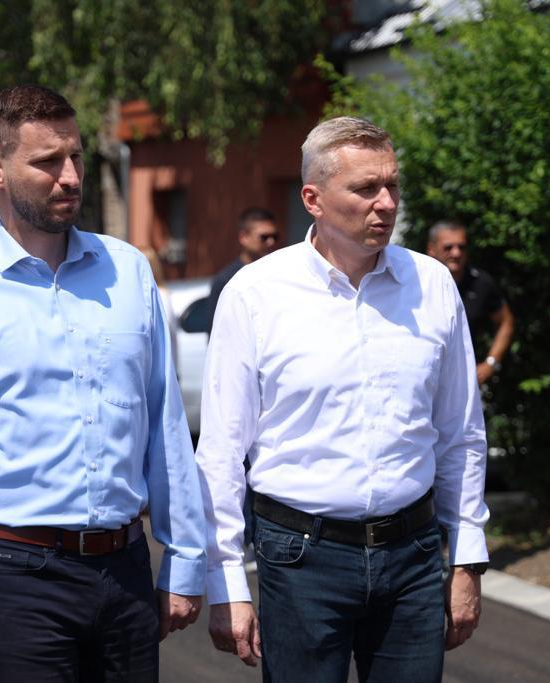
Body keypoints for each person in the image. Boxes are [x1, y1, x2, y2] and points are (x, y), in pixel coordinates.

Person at [0, 84, 206, 682]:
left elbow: (164, 425)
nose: (70, 177)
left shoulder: (129, 270)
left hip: (125, 572)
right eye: (47, 162)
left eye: (76, 156)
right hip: (13, 575)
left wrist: (185, 557)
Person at [196, 116, 489, 682]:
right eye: (365, 188)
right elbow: (222, 452)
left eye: (392, 185)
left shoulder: (432, 286)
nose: (387, 203)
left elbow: (461, 434)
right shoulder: (255, 295)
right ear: (313, 199)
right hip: (300, 559)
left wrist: (467, 560)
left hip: (413, 556)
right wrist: (226, 580)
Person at [427, 221, 515, 385]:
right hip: (426, 377)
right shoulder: (418, 283)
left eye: (462, 247)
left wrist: (491, 363)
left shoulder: (481, 283)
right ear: (432, 249)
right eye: (448, 247)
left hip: (466, 381)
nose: (456, 253)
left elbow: (506, 321)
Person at [204, 207, 279, 334]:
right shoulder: (226, 280)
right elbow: (217, 333)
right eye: (264, 237)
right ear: (243, 237)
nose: (271, 242)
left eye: (275, 236)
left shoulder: (280, 274)